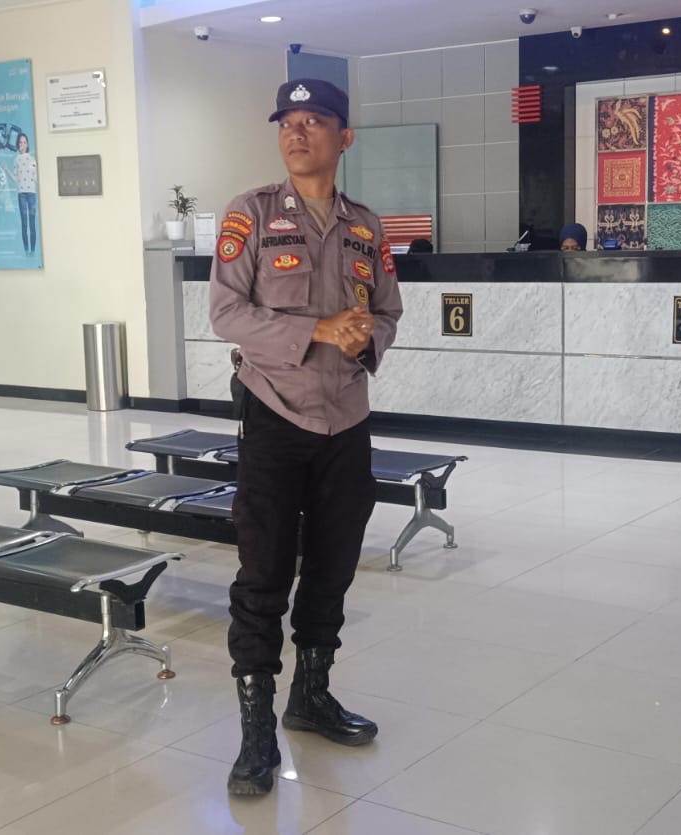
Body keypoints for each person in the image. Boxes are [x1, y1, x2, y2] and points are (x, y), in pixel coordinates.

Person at [208, 78, 402, 797]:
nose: (296, 132)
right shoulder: (252, 213)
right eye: (287, 122)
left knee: (333, 565)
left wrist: (363, 338)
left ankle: (311, 696)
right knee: (262, 573)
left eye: (314, 121)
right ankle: (256, 730)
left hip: (346, 419)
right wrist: (318, 329)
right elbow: (226, 312)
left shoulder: (366, 227)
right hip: (274, 414)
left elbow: (388, 312)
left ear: (343, 138)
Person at [12, 134, 39, 255]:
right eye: (20, 142)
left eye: (24, 142)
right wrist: (6, 170)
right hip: (21, 194)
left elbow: (35, 176)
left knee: (32, 223)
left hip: (32, 193)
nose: (22, 144)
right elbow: (15, 178)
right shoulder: (17, 159)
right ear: (18, 145)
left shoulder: (32, 159)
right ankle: (26, 249)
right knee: (24, 223)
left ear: (27, 144)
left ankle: (32, 250)